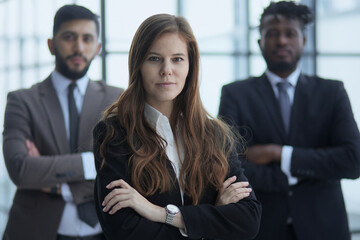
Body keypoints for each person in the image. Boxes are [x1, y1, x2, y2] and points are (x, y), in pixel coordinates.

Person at [93, 13, 261, 240]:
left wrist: (160, 213)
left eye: (177, 59)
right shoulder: (114, 133)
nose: (166, 70)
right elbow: (125, 231)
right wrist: (213, 216)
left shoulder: (214, 135)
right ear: (138, 65)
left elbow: (248, 220)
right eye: (154, 58)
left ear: (190, 66)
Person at [218, 1, 360, 240]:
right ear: (259, 42)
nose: (281, 41)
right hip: (260, 227)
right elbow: (228, 166)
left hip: (324, 227)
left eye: (290, 33)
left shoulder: (332, 92)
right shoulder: (235, 94)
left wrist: (279, 154)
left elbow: (353, 161)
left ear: (303, 40)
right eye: (272, 34)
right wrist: (299, 172)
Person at [2, 4, 123, 240]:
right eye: (69, 37)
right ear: (51, 44)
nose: (79, 47)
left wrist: (55, 184)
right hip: (37, 230)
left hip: (106, 231)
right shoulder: (21, 101)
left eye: (87, 39)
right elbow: (21, 169)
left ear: (97, 48)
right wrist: (93, 163)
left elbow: (127, 171)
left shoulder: (117, 100)